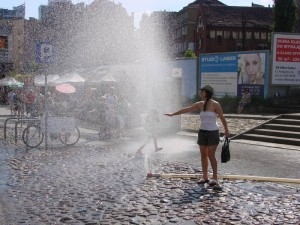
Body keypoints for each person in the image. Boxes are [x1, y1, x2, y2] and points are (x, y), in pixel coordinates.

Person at [164, 85, 229, 187]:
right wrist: (173, 114)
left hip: (213, 132)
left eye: (202, 91)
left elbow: (222, 117)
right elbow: (187, 109)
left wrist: (226, 130)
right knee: (203, 155)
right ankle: (204, 177)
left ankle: (215, 178)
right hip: (202, 132)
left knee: (211, 155)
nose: (201, 92)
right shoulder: (200, 104)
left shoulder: (215, 104)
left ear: (207, 92)